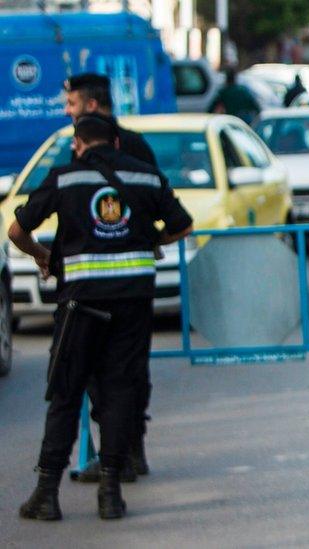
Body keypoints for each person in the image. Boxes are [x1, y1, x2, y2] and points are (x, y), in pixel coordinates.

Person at [11, 114, 193, 521]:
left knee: (65, 393)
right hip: (132, 301)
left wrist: (43, 257)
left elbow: (16, 231)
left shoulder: (64, 178)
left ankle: (46, 494)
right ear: (114, 142)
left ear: (78, 144)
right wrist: (150, 241)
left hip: (81, 304)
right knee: (119, 392)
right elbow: (183, 225)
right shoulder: (146, 177)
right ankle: (111, 493)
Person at [63, 73, 159, 482]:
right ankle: (128, 453)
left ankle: (117, 458)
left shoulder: (90, 149)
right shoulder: (135, 145)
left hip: (93, 284)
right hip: (134, 281)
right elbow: (161, 204)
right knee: (128, 370)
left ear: (89, 105)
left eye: (70, 104)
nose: (66, 111)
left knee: (101, 374)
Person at [64, 74, 157, 167]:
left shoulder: (132, 146)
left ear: (91, 105)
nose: (66, 111)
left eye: (72, 104)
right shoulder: (134, 142)